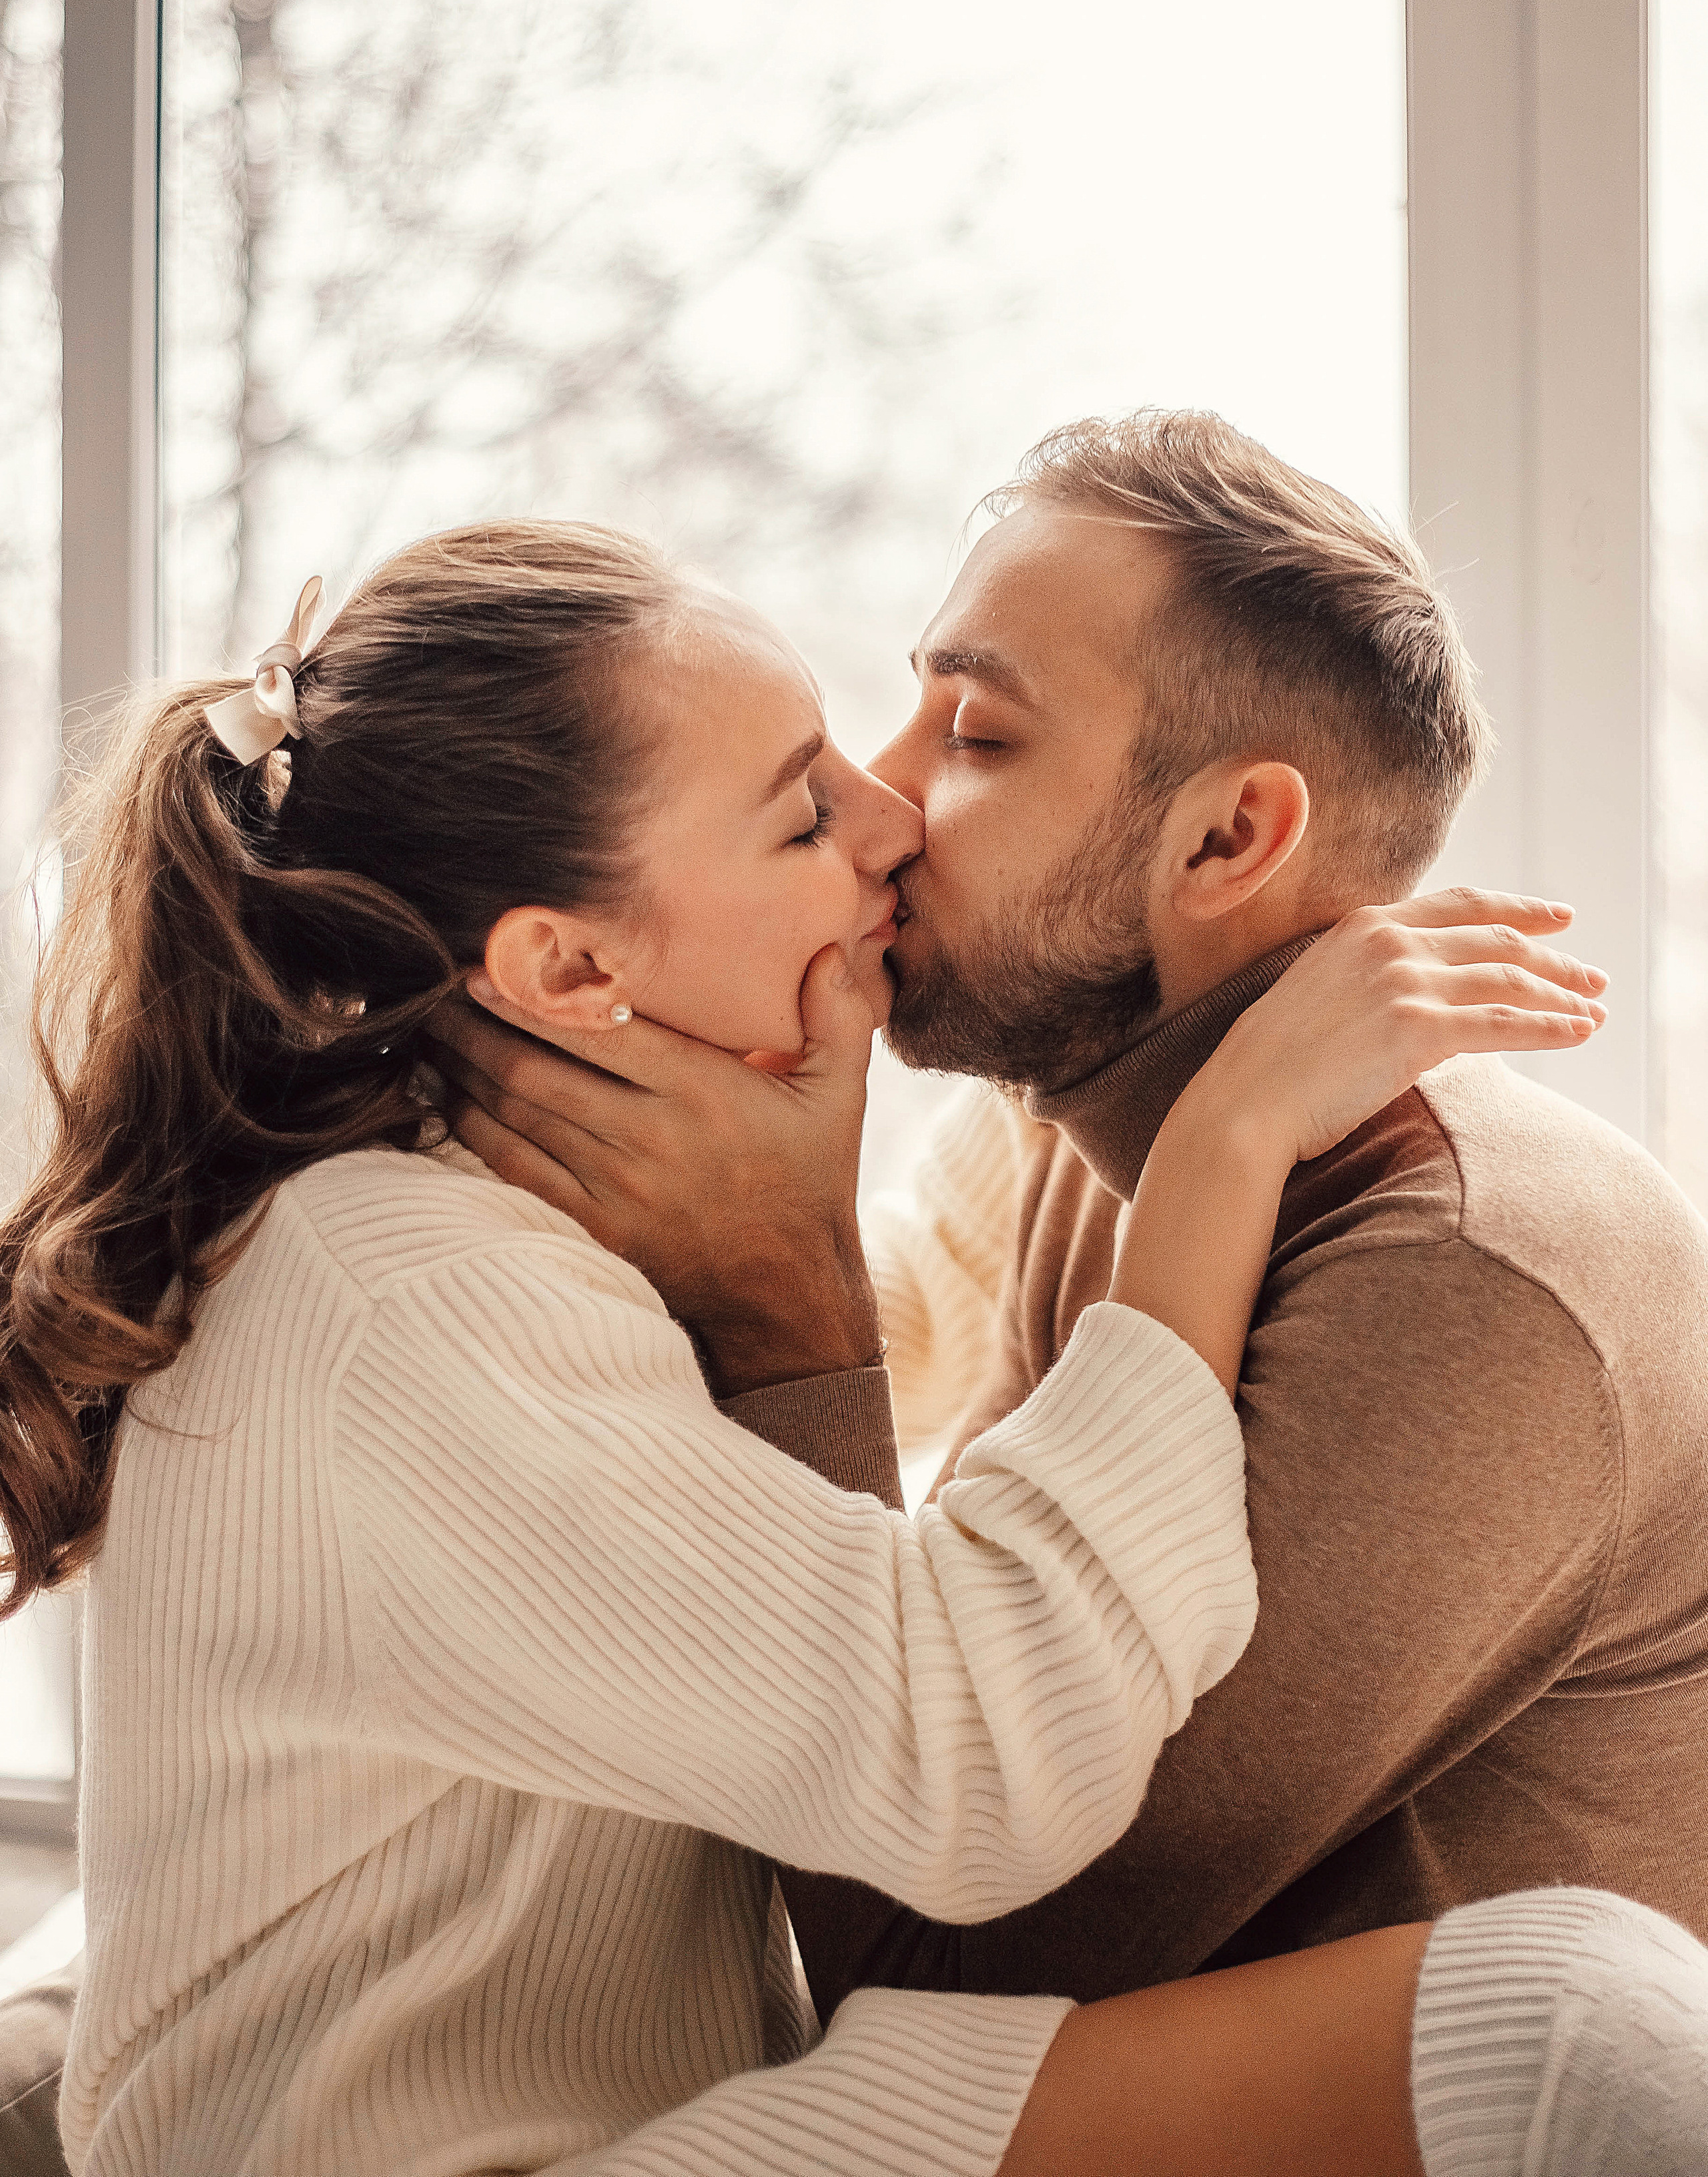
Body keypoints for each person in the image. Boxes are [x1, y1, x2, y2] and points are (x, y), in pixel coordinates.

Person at [0, 524, 1689, 2177]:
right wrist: (1220, 1146)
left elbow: (883, 1332)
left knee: (1568, 2028)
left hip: (622, 2107)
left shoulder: (481, 1205)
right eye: (807, 805)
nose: (889, 814)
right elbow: (971, 1769)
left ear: (1229, 835)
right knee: (1558, 2023)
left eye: (974, 731)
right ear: (569, 966)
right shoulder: (415, 1287)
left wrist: (911, 1201)